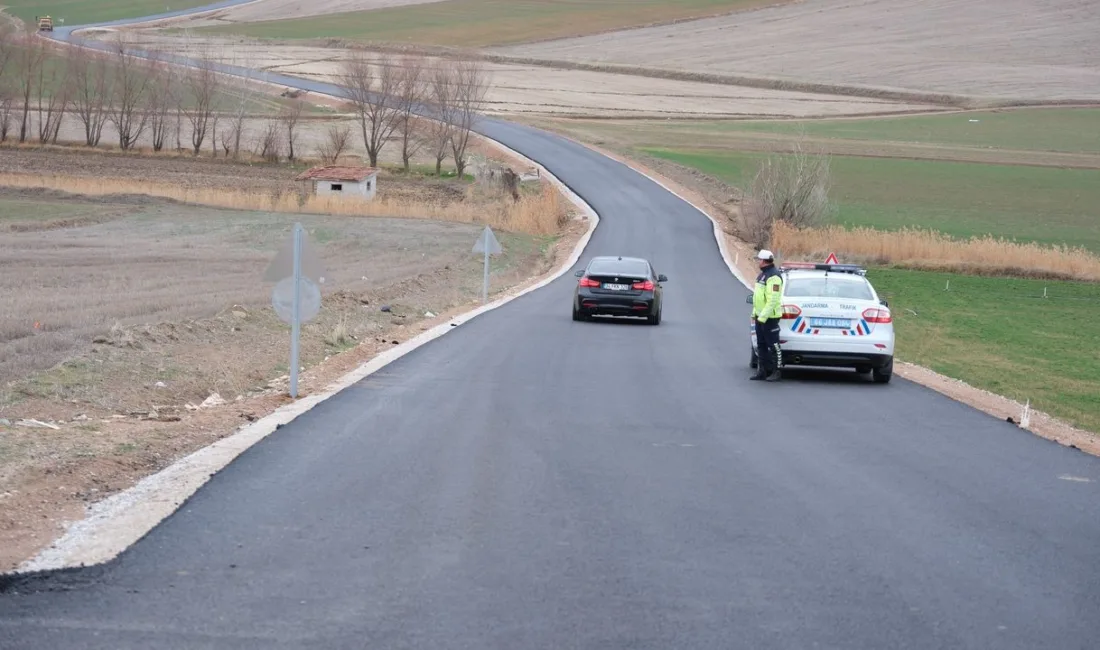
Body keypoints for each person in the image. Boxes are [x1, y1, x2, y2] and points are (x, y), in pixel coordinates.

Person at [751, 249, 783, 381]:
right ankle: (762, 371)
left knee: (773, 344)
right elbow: (758, 298)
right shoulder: (763, 275)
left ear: (764, 261)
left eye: (759, 260)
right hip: (760, 316)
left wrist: (763, 317)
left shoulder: (773, 277)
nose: (758, 262)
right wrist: (755, 314)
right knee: (761, 344)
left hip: (770, 317)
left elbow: (772, 300)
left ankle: (776, 371)